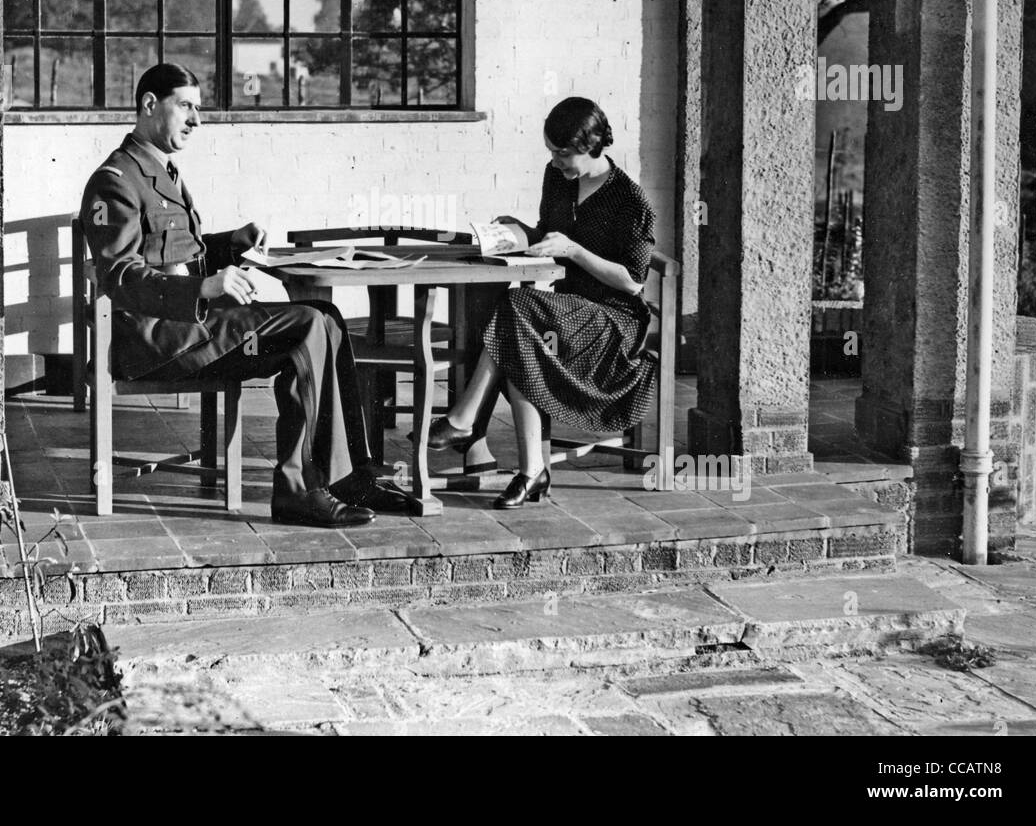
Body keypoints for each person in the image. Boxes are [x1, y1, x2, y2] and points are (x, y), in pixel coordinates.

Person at [80, 62, 411, 527]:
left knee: (327, 316)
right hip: (154, 340)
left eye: (199, 108)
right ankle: (299, 489)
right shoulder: (115, 179)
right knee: (307, 327)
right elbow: (120, 277)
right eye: (187, 107)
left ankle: (349, 476)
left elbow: (175, 252)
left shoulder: (161, 170)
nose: (197, 120)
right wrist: (204, 286)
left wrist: (229, 243)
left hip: (193, 325)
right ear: (150, 105)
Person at [427, 97, 658, 509]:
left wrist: (574, 251)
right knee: (517, 327)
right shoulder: (558, 180)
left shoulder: (629, 199)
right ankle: (531, 471)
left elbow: (633, 281)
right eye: (551, 151)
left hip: (613, 322)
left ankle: (466, 420)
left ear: (592, 145)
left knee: (517, 310)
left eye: (563, 153)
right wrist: (517, 232)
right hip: (567, 309)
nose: (555, 161)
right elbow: (548, 235)